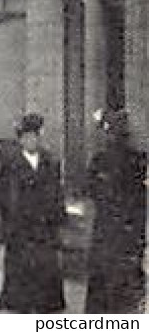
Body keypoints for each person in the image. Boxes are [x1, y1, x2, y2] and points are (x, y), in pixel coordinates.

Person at [0, 113, 66, 313]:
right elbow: (0, 192)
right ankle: (19, 304)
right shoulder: (10, 164)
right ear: (20, 139)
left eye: (35, 136)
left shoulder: (50, 162)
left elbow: (57, 192)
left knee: (45, 266)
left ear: (40, 137)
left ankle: (45, 305)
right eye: (26, 137)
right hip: (19, 226)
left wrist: (58, 218)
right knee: (19, 269)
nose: (31, 141)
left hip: (44, 227)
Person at [85, 108, 146, 313]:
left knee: (105, 296)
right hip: (128, 238)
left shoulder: (99, 162)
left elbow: (92, 195)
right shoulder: (139, 162)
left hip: (109, 238)